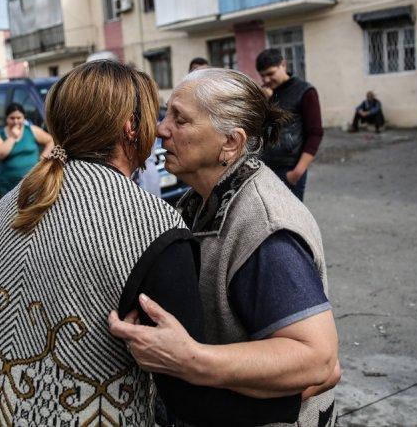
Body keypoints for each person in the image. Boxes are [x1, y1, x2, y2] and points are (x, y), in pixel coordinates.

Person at [0, 61, 299, 427]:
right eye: (155, 117)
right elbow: (187, 397)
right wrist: (293, 405)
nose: (160, 129)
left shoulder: (16, 200)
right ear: (131, 127)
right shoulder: (154, 226)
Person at [109, 68, 340, 427]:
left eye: (180, 120)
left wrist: (192, 359)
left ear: (230, 143)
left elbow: (317, 359)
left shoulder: (264, 226)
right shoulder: (199, 199)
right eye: (166, 113)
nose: (160, 130)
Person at [256, 48, 323, 202]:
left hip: (289, 169)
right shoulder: (266, 93)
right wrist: (265, 102)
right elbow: (259, 127)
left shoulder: (305, 91)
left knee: (291, 223)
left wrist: (297, 172)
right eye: (262, 75)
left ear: (283, 65)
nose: (266, 80)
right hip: (264, 168)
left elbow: (315, 133)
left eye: (270, 73)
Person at [0, 102, 54, 195]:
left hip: (32, 182)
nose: (16, 121)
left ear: (24, 117)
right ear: (6, 118)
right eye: (12, 118)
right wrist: (12, 137)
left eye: (19, 118)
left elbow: (50, 140)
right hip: (9, 185)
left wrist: (43, 158)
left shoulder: (31, 130)